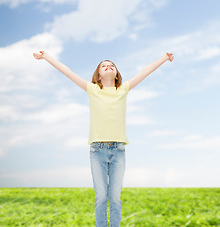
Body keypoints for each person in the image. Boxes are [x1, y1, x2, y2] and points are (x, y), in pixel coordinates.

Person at [33, 51, 174, 227]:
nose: (108, 66)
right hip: (97, 151)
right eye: (103, 65)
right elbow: (67, 71)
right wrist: (46, 57)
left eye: (112, 65)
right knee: (101, 197)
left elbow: (145, 71)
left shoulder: (123, 89)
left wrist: (164, 58)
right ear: (98, 76)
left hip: (118, 150)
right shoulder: (92, 89)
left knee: (114, 197)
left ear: (116, 75)